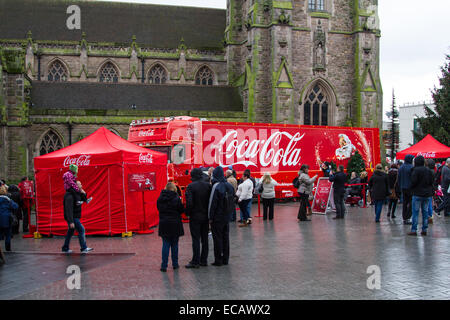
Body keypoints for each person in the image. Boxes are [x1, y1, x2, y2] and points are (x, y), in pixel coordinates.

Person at [184, 168, 212, 269]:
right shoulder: (208, 186)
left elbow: (189, 202)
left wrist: (187, 212)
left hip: (195, 216)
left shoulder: (191, 186)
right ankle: (203, 260)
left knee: (196, 239)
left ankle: (195, 261)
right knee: (205, 239)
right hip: (205, 216)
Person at [208, 166, 234, 266]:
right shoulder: (229, 185)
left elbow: (212, 203)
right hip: (226, 216)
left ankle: (218, 259)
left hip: (217, 217)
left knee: (217, 238)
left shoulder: (216, 186)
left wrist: (210, 217)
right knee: (225, 237)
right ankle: (225, 259)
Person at [157, 182, 185, 272]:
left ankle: (164, 265)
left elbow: (159, 209)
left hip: (164, 223)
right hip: (175, 223)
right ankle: (175, 264)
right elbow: (181, 210)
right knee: (174, 244)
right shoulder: (176, 198)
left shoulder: (160, 198)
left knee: (165, 244)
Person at [62, 180, 93, 254]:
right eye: (79, 184)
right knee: (81, 230)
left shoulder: (77, 193)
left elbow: (84, 200)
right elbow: (68, 209)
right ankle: (83, 248)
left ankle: (65, 248)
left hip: (76, 216)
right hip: (73, 217)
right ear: (75, 185)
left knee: (70, 232)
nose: (81, 186)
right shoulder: (69, 195)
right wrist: (71, 221)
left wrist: (84, 193)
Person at [407, 156, 434, 236]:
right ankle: (424, 229)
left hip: (417, 193)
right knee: (425, 212)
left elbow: (413, 181)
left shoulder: (415, 170)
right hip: (426, 194)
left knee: (415, 212)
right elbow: (431, 181)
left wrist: (411, 188)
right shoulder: (428, 170)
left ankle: (414, 229)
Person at [0, 185, 18, 252]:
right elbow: (15, 206)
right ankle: (8, 249)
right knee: (8, 234)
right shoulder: (8, 199)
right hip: (7, 219)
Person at [398, 154, 414, 224]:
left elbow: (398, 178)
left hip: (403, 187)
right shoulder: (411, 167)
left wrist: (400, 186)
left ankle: (404, 217)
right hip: (410, 188)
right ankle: (408, 216)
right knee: (411, 203)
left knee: (405, 202)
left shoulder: (401, 167)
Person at [426, 159, 436, 224]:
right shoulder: (433, 171)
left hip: (428, 189)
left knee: (428, 203)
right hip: (431, 189)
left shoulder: (428, 171)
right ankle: (430, 215)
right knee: (430, 202)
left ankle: (429, 216)